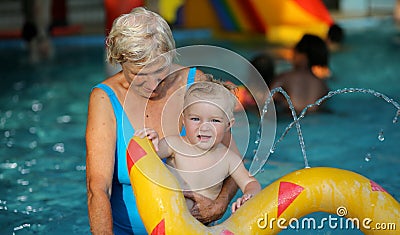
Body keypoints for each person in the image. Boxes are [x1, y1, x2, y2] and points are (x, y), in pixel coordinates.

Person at [85, 7, 239, 234]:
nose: (153, 84)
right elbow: (97, 188)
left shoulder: (194, 83)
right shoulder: (105, 99)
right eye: (139, 75)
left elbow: (233, 160)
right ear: (119, 61)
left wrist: (219, 204)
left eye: (160, 71)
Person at [135, 80, 261, 216]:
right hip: (170, 221)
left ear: (228, 125)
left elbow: (250, 182)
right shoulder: (173, 145)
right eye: (195, 119)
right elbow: (147, 159)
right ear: (184, 119)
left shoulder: (229, 159)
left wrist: (249, 195)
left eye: (215, 120)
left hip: (204, 227)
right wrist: (151, 141)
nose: (204, 127)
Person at [270, 34, 330, 114]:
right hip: (314, 120)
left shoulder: (284, 78)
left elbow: (266, 102)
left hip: (288, 120)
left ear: (301, 54)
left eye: (294, 52)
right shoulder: (322, 86)